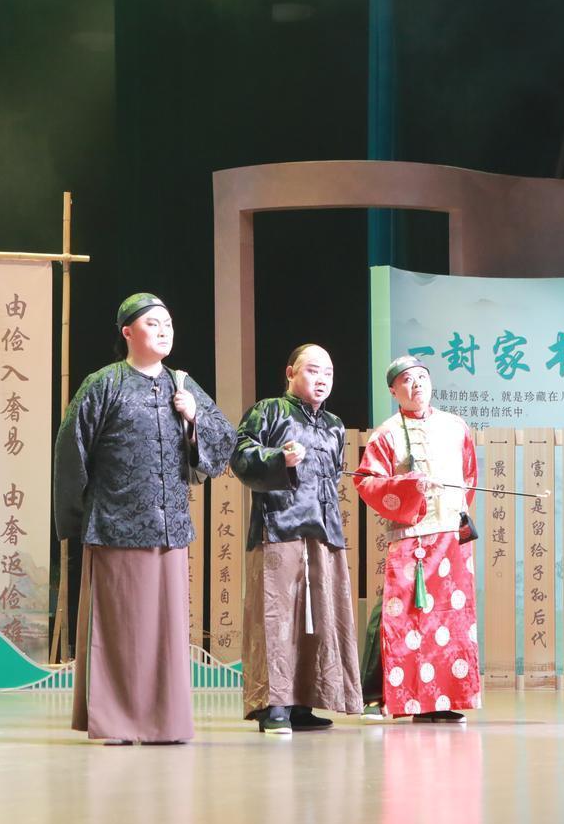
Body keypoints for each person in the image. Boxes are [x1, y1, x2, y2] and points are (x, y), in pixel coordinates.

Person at [54, 292, 236, 743]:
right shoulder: (104, 383)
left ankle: (165, 722)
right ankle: (116, 722)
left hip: (170, 528)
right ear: (127, 332)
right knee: (119, 630)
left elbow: (223, 440)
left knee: (166, 632)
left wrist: (193, 418)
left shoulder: (183, 384)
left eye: (168, 323)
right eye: (153, 323)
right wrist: (75, 521)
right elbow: (71, 450)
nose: (163, 330)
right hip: (114, 524)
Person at [231, 344, 362, 733]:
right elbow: (241, 455)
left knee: (321, 616)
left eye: (328, 373)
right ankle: (274, 706)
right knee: (277, 617)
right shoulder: (268, 410)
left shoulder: (335, 424)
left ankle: (305, 701)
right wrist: (279, 459)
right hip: (278, 526)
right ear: (290, 373)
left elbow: (335, 474)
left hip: (323, 529)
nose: (322, 379)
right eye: (313, 370)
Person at [352, 356, 480, 721]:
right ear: (394, 391)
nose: (417, 384)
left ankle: (440, 700)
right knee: (399, 615)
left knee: (448, 619)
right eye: (407, 380)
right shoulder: (387, 434)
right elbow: (367, 481)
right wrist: (410, 488)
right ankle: (376, 695)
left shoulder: (456, 426)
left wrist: (453, 512)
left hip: (450, 536)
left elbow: (469, 475)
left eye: (422, 377)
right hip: (412, 537)